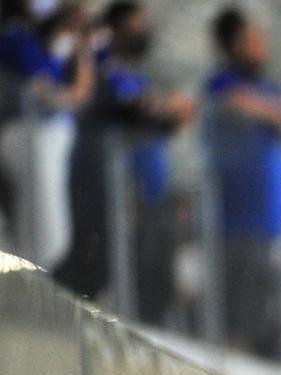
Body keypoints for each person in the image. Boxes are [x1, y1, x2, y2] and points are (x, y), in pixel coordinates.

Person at [54, 0, 193, 318]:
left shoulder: (137, 78)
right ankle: (44, 306)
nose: (144, 32)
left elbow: (155, 120)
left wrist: (172, 114)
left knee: (123, 264)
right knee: (91, 256)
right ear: (115, 29)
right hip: (97, 180)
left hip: (139, 191)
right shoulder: (100, 67)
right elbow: (116, 107)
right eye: (136, 26)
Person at [204, 5, 281, 358]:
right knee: (233, 304)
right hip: (234, 219)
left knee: (261, 305)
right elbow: (235, 102)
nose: (261, 46)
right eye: (252, 39)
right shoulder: (222, 83)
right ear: (233, 45)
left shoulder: (271, 89)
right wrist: (280, 116)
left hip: (270, 221)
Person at [0, 0, 93, 266]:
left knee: (51, 230)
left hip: (49, 138)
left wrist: (80, 49)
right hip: (28, 136)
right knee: (44, 229)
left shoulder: (50, 48)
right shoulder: (17, 38)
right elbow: (51, 93)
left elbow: (78, 92)